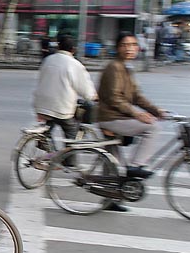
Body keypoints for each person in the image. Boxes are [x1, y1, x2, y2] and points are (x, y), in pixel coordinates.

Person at [98, 31, 166, 211]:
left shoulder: (126, 68)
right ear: (118, 48)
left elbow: (137, 96)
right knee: (153, 128)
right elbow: (114, 98)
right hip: (111, 118)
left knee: (113, 160)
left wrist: (155, 110)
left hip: (118, 116)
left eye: (133, 45)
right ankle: (136, 167)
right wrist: (137, 115)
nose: (130, 48)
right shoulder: (114, 67)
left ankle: (110, 199)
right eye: (125, 45)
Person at [33, 33, 97, 144]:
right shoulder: (74, 64)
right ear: (73, 49)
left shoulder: (48, 60)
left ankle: (45, 146)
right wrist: (93, 96)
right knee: (71, 134)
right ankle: (69, 160)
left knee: (49, 123)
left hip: (41, 104)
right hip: (61, 108)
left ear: (58, 47)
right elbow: (86, 90)